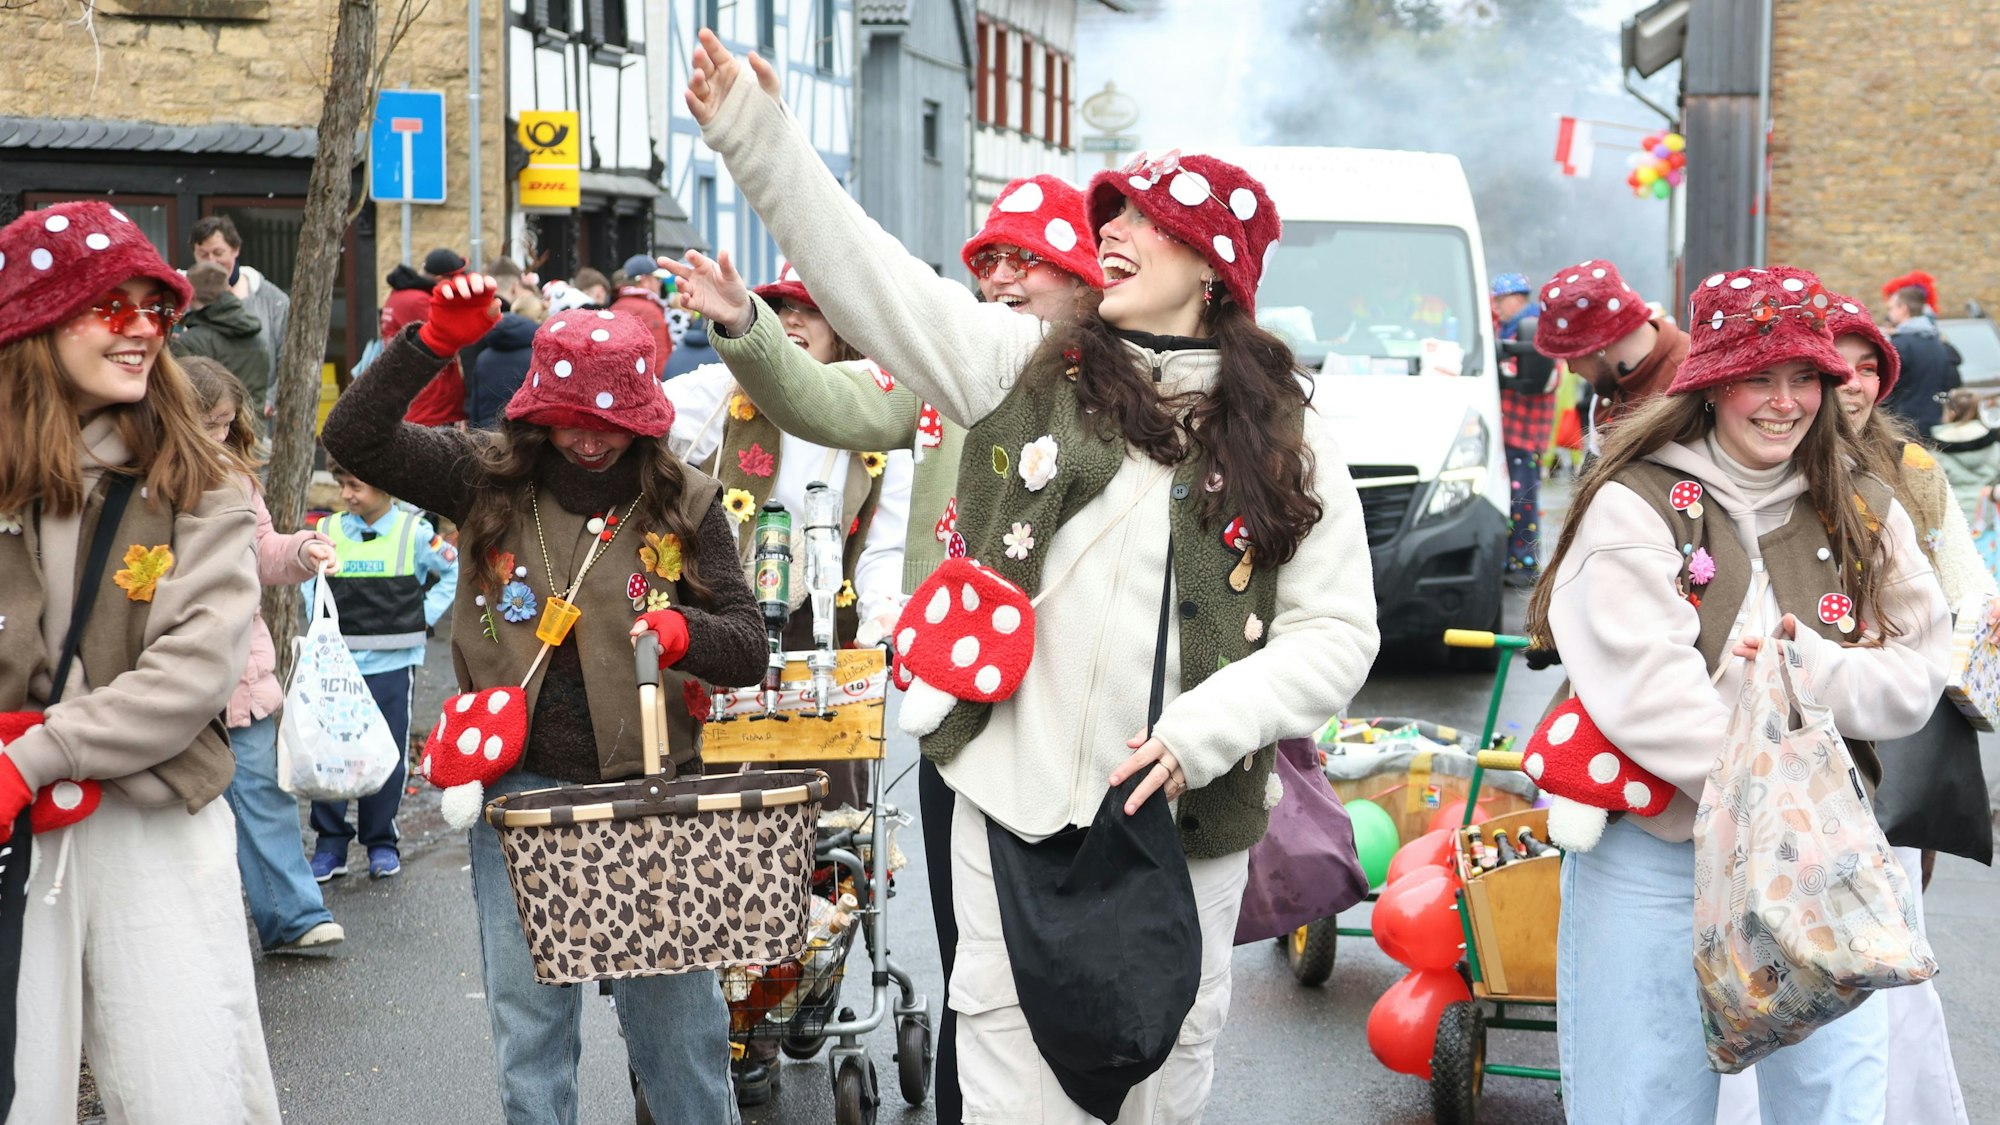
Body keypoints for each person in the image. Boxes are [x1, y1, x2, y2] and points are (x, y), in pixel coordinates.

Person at [685, 32, 1380, 1123]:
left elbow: (1335, 633)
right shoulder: (1020, 369)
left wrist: (1202, 734)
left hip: (1183, 834)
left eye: (1147, 223)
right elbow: (875, 286)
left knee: (1157, 1089)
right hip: (1007, 807)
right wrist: (755, 134)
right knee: (1013, 1092)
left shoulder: (1286, 430)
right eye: (1111, 217)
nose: (1113, 234)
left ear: (1211, 269)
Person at [665, 171, 1103, 1125]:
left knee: (1076, 957)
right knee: (970, 950)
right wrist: (746, 320)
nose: (1001, 282)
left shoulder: (1125, 388)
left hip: (1092, 713)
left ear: (1086, 275)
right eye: (990, 263)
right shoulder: (942, 377)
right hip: (964, 707)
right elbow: (823, 400)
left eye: (1027, 262)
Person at [320, 273, 763, 1124]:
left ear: (643, 416)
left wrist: (684, 632)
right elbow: (356, 435)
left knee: (683, 1050)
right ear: (533, 409)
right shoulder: (482, 479)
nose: (589, 441)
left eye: (610, 424)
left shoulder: (686, 500)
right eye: (569, 419)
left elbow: (748, 643)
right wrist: (432, 343)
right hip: (520, 801)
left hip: (653, 800)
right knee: (532, 1049)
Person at [1524, 265, 1951, 1124]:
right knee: (1644, 1098)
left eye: (1805, 378)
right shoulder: (1633, 501)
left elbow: (1918, 671)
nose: (1783, 401)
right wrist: (1777, 787)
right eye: (1759, 376)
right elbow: (1646, 696)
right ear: (1712, 382)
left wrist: (1815, 672)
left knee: (1834, 1102)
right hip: (1658, 852)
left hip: (1822, 856)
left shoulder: (1866, 504)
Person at [0, 201, 278, 1120]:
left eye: (153, 308)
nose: (141, 329)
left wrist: (32, 753)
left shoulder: (200, 482)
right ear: (35, 322)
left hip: (151, 817)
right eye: (107, 305)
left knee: (186, 1086)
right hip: (11, 834)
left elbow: (192, 672)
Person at [1710, 294, 1983, 1125]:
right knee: (1763, 950)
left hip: (1878, 757)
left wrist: (1912, 680)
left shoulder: (1912, 475)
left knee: (1877, 952)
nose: (1857, 381)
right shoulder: (1744, 476)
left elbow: (1966, 603)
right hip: (1772, 759)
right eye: (1845, 363)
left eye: (1871, 365)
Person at [663, 261, 914, 1106]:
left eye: (809, 310)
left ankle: (812, 988)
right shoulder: (721, 396)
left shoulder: (872, 409)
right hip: (731, 644)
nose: (793, 322)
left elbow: (886, 546)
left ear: (840, 327)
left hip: (827, 651)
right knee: (728, 831)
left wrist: (881, 627)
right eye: (779, 309)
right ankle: (741, 1017)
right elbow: (647, 429)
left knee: (829, 830)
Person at [184, 355, 347, 953]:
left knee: (264, 797)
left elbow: (261, 546)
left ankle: (294, 916)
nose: (218, 437)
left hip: (242, 672)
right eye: (206, 423)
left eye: (225, 423)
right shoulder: (141, 477)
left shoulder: (236, 478)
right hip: (174, 674)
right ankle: (195, 934)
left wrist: (302, 549)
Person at [304, 460, 458, 882]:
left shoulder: (414, 532)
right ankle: (330, 846)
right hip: (338, 664)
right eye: (342, 486)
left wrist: (421, 618)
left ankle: (380, 842)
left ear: (386, 486)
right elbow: (308, 580)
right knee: (331, 754)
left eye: (357, 486)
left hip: (393, 664)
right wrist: (318, 627)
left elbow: (452, 571)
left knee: (387, 754)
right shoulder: (330, 531)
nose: (347, 495)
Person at [1533, 259, 1687, 453]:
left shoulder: (1688, 384)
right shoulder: (1616, 382)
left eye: (1571, 356)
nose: (1571, 369)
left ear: (1598, 346)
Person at [1492, 271, 1557, 586]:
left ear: (1517, 298)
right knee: (1507, 499)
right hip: (1505, 432)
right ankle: (1509, 558)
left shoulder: (1532, 332)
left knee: (1523, 501)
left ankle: (1524, 562)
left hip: (1523, 432)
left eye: (1500, 300)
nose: (1497, 306)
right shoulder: (1508, 328)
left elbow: (1543, 377)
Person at [191, 213, 291, 412]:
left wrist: (269, 401)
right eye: (203, 254)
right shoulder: (180, 301)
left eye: (218, 253)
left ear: (235, 250)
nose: (211, 261)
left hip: (256, 418)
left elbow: (288, 361)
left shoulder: (274, 301)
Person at [173, 260, 273, 411]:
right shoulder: (256, 336)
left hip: (211, 431)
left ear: (190, 294)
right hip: (252, 431)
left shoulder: (189, 342)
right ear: (228, 290)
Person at [1884, 284, 1961, 435]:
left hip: (1906, 424)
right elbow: (1950, 380)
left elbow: (1888, 389)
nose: (1889, 313)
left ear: (1903, 309)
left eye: (1891, 308)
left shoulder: (1901, 344)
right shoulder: (1936, 341)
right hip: (1935, 420)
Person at [466, 301, 542, 430]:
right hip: (522, 430)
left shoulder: (483, 357)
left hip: (487, 429)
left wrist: (473, 429)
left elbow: (475, 400)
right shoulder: (535, 356)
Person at [1930, 389, 2000, 523]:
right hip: (1989, 516)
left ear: (1951, 413)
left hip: (1954, 517)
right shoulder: (1995, 446)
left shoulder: (1935, 452)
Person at [614, 253, 676, 365]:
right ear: (644, 281)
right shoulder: (650, 311)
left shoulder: (616, 306)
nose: (660, 284)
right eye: (657, 279)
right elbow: (658, 362)